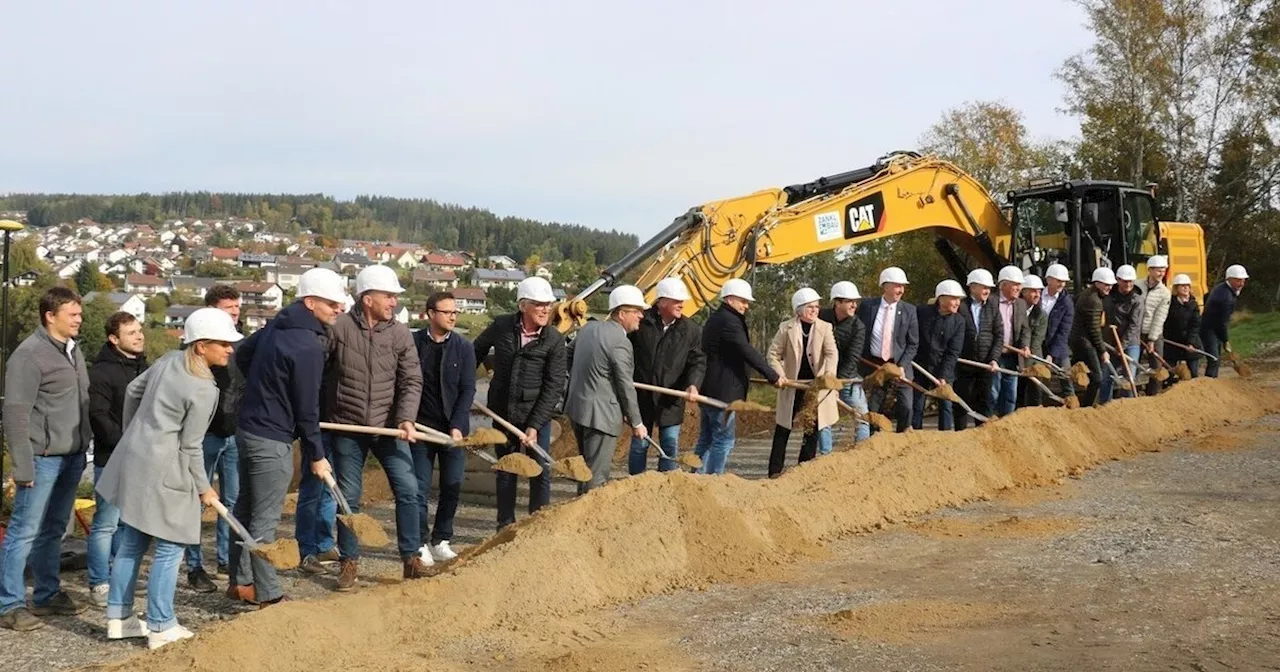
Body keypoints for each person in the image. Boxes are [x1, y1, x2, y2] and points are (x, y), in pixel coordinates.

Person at [95, 308, 241, 650]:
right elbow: (191, 448)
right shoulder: (204, 389)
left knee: (132, 540)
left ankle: (119, 618)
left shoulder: (167, 360)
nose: (230, 349)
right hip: (167, 471)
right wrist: (205, 489)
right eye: (224, 343)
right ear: (202, 346)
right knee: (171, 546)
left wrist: (137, 431)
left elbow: (132, 391)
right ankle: (161, 625)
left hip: (135, 458)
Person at [228, 267, 347, 606]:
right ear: (310, 302)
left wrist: (264, 387)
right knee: (264, 521)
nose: (338, 308)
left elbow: (242, 355)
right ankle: (269, 595)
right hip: (272, 438)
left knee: (244, 510)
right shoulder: (307, 345)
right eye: (331, 303)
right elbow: (308, 408)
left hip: (248, 428)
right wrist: (317, 455)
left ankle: (241, 583)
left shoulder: (276, 326)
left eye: (339, 303)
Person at [323, 264, 426, 591]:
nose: (393, 302)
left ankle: (411, 558)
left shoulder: (400, 334)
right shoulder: (338, 328)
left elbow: (411, 380)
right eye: (389, 296)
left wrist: (406, 418)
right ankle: (349, 561)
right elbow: (318, 371)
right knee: (349, 495)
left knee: (408, 489)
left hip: (388, 428)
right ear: (367, 299)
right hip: (347, 427)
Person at [0, 287, 92, 631]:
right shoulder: (29, 356)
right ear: (50, 316)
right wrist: (22, 466)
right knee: (23, 531)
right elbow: (15, 415)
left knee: (53, 530)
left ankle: (46, 595)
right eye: (73, 314)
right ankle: (8, 605)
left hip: (72, 456)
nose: (79, 320)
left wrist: (83, 447)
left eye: (79, 314)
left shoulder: (73, 350)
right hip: (41, 459)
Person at [473, 276, 567, 529]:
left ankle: (538, 523)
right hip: (503, 413)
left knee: (540, 469)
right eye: (539, 305)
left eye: (548, 304)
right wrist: (464, 382)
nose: (546, 309)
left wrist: (535, 426)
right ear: (523, 305)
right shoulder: (502, 326)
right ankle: (505, 525)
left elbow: (554, 385)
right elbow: (476, 350)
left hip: (537, 414)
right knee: (506, 468)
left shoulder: (554, 340)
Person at [184, 284, 245, 592]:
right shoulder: (196, 352)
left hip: (234, 434)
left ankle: (226, 559)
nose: (234, 313)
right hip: (204, 437)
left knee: (232, 502)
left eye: (237, 307)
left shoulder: (240, 347)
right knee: (197, 500)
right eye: (228, 308)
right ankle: (194, 567)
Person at [86, 311, 148, 607]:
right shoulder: (101, 372)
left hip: (140, 456)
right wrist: (124, 443)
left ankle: (120, 575)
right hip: (111, 456)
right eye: (131, 333)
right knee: (106, 523)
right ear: (114, 339)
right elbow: (98, 415)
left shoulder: (142, 367)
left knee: (127, 523)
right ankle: (99, 582)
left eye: (139, 331)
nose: (139, 336)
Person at [410, 291, 476, 564]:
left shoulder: (463, 347)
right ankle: (420, 542)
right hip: (420, 427)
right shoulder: (412, 344)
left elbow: (467, 388)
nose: (452, 316)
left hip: (452, 430)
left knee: (452, 484)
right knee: (419, 488)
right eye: (447, 312)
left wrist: (458, 425)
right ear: (430, 314)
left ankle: (441, 539)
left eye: (455, 312)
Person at [565, 285, 648, 493]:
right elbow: (625, 384)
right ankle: (588, 521)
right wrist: (637, 421)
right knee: (597, 478)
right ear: (621, 314)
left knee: (585, 471)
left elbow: (566, 356)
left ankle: (576, 515)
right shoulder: (620, 342)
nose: (641, 315)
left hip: (578, 410)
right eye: (636, 311)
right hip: (601, 418)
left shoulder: (588, 329)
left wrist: (579, 380)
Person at [696, 279, 782, 474]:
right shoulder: (729, 322)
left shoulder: (716, 318)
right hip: (723, 392)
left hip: (710, 388)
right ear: (730, 299)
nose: (746, 305)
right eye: (743, 301)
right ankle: (711, 479)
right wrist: (773, 376)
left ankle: (695, 478)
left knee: (707, 439)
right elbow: (747, 351)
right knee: (723, 440)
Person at [627, 277, 705, 474]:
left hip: (671, 399)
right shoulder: (642, 323)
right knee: (640, 446)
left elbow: (697, 361)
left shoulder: (690, 330)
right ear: (661, 302)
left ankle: (667, 485)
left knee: (669, 446)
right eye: (676, 300)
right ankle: (635, 487)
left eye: (682, 300)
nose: (681, 304)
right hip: (642, 396)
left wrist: (693, 385)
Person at [766, 288, 838, 477]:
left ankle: (803, 470)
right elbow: (773, 354)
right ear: (799, 310)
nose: (815, 310)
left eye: (816, 307)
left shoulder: (825, 327)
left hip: (815, 386)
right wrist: (780, 375)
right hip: (792, 385)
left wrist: (826, 375)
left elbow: (831, 354)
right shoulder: (786, 328)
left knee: (811, 427)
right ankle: (774, 471)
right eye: (810, 307)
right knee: (783, 427)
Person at [856, 267, 918, 433]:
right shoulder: (868, 306)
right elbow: (859, 333)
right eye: (897, 286)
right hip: (875, 365)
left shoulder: (909, 310)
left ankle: (902, 440)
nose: (901, 290)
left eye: (902, 286)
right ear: (885, 286)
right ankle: (874, 441)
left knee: (906, 406)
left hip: (900, 365)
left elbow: (913, 344)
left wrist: (901, 366)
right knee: (874, 407)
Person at [819, 281, 869, 445]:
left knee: (862, 417)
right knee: (823, 419)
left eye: (855, 301)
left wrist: (837, 383)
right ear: (837, 302)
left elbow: (852, 358)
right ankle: (825, 455)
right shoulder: (821, 317)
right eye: (849, 301)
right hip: (824, 376)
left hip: (848, 378)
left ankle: (862, 452)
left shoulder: (858, 327)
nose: (854, 305)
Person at [912, 280, 966, 430]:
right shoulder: (921, 313)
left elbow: (953, 352)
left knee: (946, 404)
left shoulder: (959, 322)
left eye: (958, 299)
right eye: (953, 299)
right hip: (920, 365)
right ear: (941, 298)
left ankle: (945, 437)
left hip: (944, 367)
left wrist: (943, 375)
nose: (957, 303)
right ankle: (914, 435)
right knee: (917, 404)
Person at [955, 269, 1002, 430]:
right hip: (963, 364)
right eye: (983, 287)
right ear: (972, 287)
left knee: (984, 402)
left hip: (986, 364)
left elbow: (999, 335)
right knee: (961, 402)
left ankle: (982, 436)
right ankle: (960, 436)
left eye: (989, 288)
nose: (987, 291)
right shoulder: (961, 307)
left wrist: (994, 359)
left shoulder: (993, 307)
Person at [1069, 267, 1116, 407]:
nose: (1109, 287)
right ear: (1097, 283)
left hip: (1079, 339)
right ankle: (1086, 407)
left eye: (1111, 285)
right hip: (1084, 342)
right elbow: (1094, 330)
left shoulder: (1088, 294)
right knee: (1097, 377)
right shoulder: (1094, 301)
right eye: (1106, 284)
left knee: (1078, 373)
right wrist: (1102, 351)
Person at [991, 266, 1031, 416]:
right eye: (1015, 284)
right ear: (1004, 284)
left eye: (1020, 285)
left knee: (1010, 395)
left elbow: (1025, 329)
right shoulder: (991, 302)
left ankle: (1006, 423)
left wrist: (1025, 346)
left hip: (1012, 356)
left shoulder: (1020, 304)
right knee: (993, 392)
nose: (1018, 288)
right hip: (995, 355)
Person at [1101, 264, 1144, 401]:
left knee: (1128, 378)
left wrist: (1123, 345)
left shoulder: (1137, 301)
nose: (1128, 284)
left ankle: (1128, 407)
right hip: (1111, 342)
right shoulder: (1108, 297)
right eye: (1125, 281)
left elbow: (1134, 326)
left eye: (1131, 281)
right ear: (1118, 280)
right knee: (1107, 376)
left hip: (1130, 343)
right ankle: (1104, 405)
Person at [1200, 264, 1248, 378]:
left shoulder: (1222, 288)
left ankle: (1212, 381)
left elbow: (1206, 296)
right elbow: (1221, 322)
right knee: (1214, 359)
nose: (1241, 284)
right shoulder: (1226, 297)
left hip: (1213, 327)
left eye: (1243, 280)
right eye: (1238, 281)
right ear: (1229, 279)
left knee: (1216, 358)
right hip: (1209, 329)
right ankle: (1209, 384)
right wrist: (1225, 340)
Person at [1041, 264, 1075, 403]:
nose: (1062, 284)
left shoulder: (1066, 303)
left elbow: (1063, 332)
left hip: (1057, 344)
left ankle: (1072, 403)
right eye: (1059, 281)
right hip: (1038, 343)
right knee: (1039, 378)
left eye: (1064, 281)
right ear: (1049, 280)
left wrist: (1052, 354)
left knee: (1065, 374)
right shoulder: (1037, 295)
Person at [1140, 256, 1171, 396]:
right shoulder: (1137, 285)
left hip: (1154, 332)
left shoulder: (1164, 293)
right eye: (1159, 271)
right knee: (1130, 363)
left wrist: (1151, 340)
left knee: (1157, 366)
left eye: (1163, 271)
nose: (1161, 274)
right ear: (1150, 270)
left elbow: (1160, 318)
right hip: (1136, 331)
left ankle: (1153, 395)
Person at [1016, 275, 1049, 408]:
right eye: (1034, 291)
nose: (1037, 295)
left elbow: (1037, 340)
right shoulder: (1015, 309)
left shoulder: (1041, 315)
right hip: (1015, 354)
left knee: (1035, 389)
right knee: (1017, 390)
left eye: (1039, 292)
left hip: (1033, 357)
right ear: (1023, 292)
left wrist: (1027, 365)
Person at [1163, 273, 1203, 381]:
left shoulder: (1193, 304)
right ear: (1176, 288)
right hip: (1172, 342)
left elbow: (1195, 325)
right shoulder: (1170, 303)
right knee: (1169, 371)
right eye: (1182, 285)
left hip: (1190, 342)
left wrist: (1190, 342)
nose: (1185, 288)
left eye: (1187, 285)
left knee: (1193, 372)